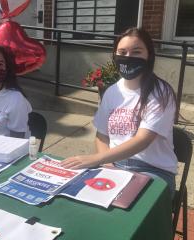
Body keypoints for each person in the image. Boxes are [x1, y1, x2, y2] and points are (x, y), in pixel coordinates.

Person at [60, 27, 178, 196]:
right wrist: (107, 163)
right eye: (122, 52)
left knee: (127, 207)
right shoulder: (111, 91)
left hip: (154, 171)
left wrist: (96, 159)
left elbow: (142, 140)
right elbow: (102, 135)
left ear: (149, 55)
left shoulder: (161, 93)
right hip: (115, 165)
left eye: (136, 52)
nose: (128, 57)